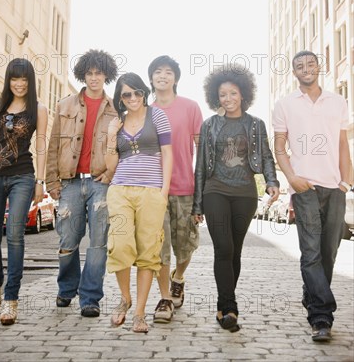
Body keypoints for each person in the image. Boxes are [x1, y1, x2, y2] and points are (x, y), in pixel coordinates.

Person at [192, 64, 279, 331]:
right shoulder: (210, 126)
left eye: (233, 93)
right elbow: (200, 166)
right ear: (215, 97)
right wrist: (197, 203)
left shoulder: (255, 124)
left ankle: (223, 305)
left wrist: (272, 181)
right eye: (222, 94)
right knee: (224, 249)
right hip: (215, 191)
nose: (228, 99)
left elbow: (265, 155)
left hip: (244, 193)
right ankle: (229, 307)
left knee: (236, 251)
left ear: (243, 94)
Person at [273, 50, 352, 342]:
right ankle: (321, 316)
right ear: (293, 73)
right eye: (299, 66)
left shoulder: (338, 102)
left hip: (335, 188)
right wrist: (292, 178)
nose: (306, 69)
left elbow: (343, 144)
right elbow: (279, 146)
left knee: (328, 252)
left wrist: (346, 182)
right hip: (304, 188)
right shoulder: (285, 105)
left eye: (310, 64)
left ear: (320, 67)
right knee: (311, 253)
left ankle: (312, 294)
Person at [46, 49, 118, 317]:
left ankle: (90, 298)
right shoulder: (65, 105)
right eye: (89, 73)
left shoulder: (115, 110)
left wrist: (111, 175)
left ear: (106, 74)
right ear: (83, 75)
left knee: (98, 243)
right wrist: (51, 180)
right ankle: (66, 288)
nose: (94, 78)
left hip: (101, 183)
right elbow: (53, 145)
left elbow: (122, 148)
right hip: (70, 183)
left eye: (99, 73)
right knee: (68, 239)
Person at [105, 73, 172, 333]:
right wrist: (112, 135)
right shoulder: (117, 122)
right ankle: (125, 298)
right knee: (120, 245)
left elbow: (167, 153)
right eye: (126, 94)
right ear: (120, 99)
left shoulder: (157, 116)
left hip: (151, 191)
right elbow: (111, 165)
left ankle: (140, 313)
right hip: (120, 189)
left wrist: (163, 191)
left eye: (137, 93)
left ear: (144, 93)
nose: (133, 98)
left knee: (148, 252)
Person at [0, 58, 48, 325]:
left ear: (30, 81)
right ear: (8, 80)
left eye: (24, 79)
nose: (19, 83)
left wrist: (41, 181)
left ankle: (11, 300)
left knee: (14, 235)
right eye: (15, 78)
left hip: (23, 176)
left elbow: (42, 145)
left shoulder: (38, 109)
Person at [147, 55, 203, 323]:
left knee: (186, 244)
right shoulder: (145, 111)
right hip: (155, 189)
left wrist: (202, 190)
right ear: (151, 79)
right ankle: (165, 298)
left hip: (185, 187)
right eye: (158, 72)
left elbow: (202, 150)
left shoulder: (190, 108)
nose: (163, 76)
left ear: (176, 78)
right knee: (160, 246)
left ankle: (178, 277)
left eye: (168, 72)